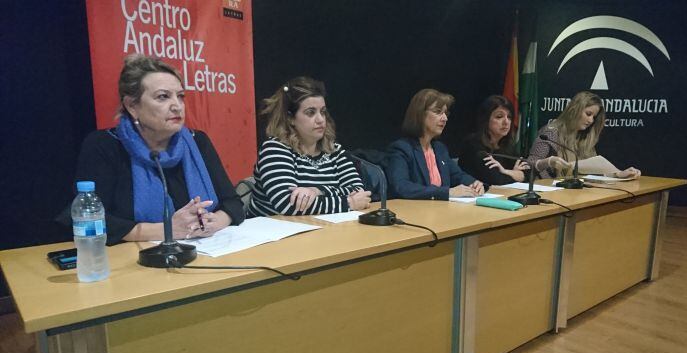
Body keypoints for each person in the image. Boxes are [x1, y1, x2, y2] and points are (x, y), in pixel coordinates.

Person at [72, 54, 244, 245]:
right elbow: (89, 221)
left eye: (180, 97)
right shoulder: (105, 146)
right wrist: (167, 230)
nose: (177, 106)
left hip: (206, 252)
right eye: (163, 97)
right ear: (132, 106)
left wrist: (214, 222)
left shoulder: (198, 142)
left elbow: (233, 203)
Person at [247, 76, 371, 217]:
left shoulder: (335, 151)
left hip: (318, 231)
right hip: (271, 235)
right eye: (310, 113)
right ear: (290, 118)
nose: (320, 119)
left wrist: (317, 190)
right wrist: (348, 203)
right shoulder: (275, 149)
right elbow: (288, 205)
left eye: (322, 112)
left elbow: (359, 192)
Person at [386, 89, 484, 200]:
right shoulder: (401, 149)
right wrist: (446, 192)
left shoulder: (439, 149)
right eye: (438, 112)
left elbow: (458, 176)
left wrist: (474, 183)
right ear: (420, 114)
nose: (445, 118)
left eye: (446, 113)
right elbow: (401, 187)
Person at [529, 91, 641, 179]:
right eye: (588, 114)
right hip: (549, 191)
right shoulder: (551, 132)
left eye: (594, 117)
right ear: (574, 110)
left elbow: (595, 172)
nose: (591, 120)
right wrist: (548, 162)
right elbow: (530, 164)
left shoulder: (585, 137)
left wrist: (618, 174)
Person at [458, 95, 529, 185]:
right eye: (499, 117)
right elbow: (496, 180)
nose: (506, 122)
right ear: (486, 119)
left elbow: (529, 173)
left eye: (509, 117)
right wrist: (516, 174)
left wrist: (504, 171)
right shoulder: (473, 144)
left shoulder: (506, 146)